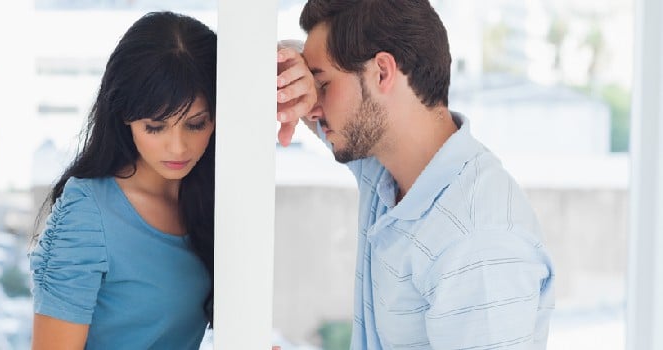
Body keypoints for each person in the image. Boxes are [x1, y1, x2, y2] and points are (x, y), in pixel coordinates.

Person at [276, 1, 555, 349]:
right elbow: (286, 57)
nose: (313, 107)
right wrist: (295, 73)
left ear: (381, 72)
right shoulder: (383, 167)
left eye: (323, 85)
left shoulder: (476, 242)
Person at [29, 11, 216, 350]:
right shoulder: (87, 215)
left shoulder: (211, 199)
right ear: (124, 115)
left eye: (196, 124)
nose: (178, 147)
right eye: (155, 127)